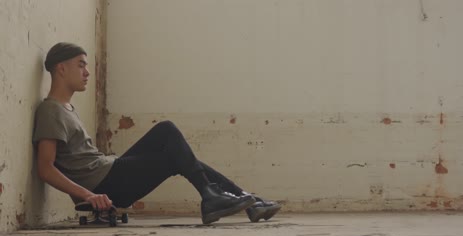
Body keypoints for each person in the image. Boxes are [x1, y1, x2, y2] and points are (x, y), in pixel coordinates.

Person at [33, 42, 281, 224]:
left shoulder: (67, 109)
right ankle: (221, 197)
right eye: (81, 65)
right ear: (61, 69)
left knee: (174, 145)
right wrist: (88, 195)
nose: (87, 72)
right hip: (104, 184)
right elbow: (46, 168)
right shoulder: (50, 110)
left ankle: (246, 199)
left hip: (109, 170)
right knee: (170, 141)